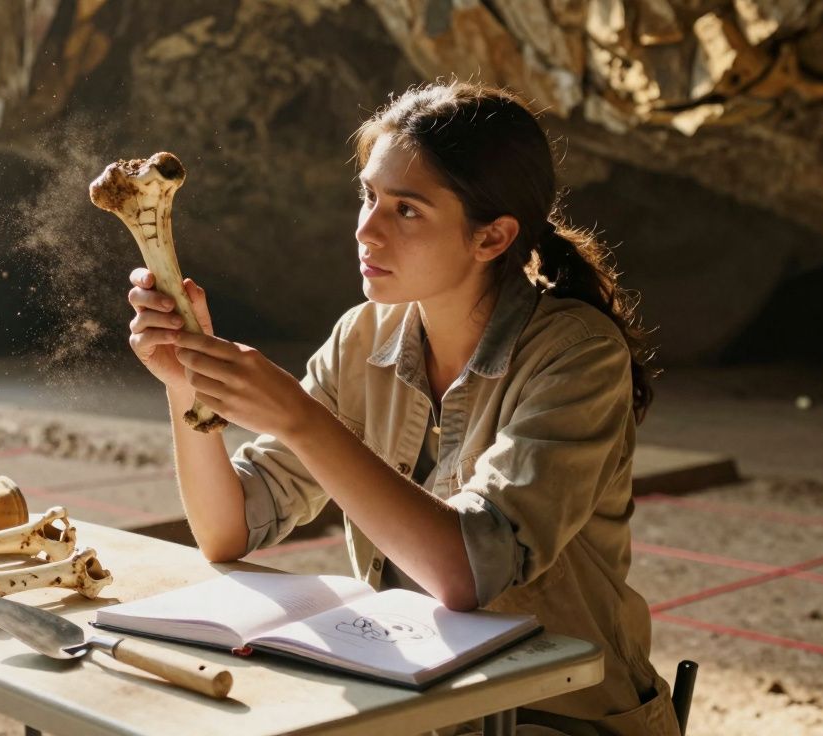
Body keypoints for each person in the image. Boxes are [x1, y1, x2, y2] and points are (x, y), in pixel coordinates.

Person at [125, 81, 680, 735]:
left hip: (558, 715)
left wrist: (301, 421)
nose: (366, 229)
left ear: (492, 237)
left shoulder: (577, 356)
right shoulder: (363, 336)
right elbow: (228, 530)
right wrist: (185, 378)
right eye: (368, 197)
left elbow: (469, 571)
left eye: (407, 210)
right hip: (420, 703)